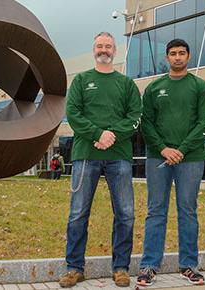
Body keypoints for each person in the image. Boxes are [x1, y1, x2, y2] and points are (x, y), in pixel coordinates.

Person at [58, 32, 142, 288]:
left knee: (125, 214)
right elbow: (73, 114)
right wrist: (97, 134)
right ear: (94, 49)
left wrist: (111, 136)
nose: (103, 49)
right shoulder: (82, 81)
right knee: (77, 214)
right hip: (86, 156)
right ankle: (74, 268)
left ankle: (120, 268)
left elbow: (135, 117)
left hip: (119, 157)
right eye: (99, 45)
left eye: (108, 45)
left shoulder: (126, 84)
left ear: (114, 51)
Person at [137, 38, 205, 287]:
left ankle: (189, 265)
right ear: (167, 57)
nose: (178, 57)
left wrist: (180, 150)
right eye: (173, 53)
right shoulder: (154, 88)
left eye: (182, 53)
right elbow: (145, 122)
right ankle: (149, 265)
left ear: (188, 56)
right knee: (155, 211)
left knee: (187, 210)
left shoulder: (200, 87)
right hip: (157, 158)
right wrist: (163, 148)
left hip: (190, 159)